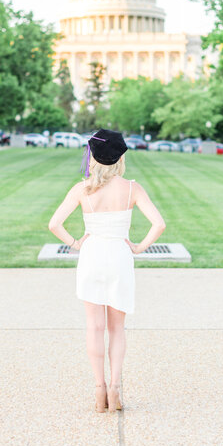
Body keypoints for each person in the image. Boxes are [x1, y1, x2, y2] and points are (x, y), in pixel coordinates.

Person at [48, 128, 166, 413]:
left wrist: (76, 243)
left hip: (91, 256)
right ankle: (115, 387)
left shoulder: (82, 190)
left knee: (94, 327)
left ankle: (99, 388)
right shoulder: (131, 189)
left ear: (94, 158)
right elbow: (159, 224)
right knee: (116, 328)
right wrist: (138, 247)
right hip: (119, 257)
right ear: (119, 158)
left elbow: (54, 224)